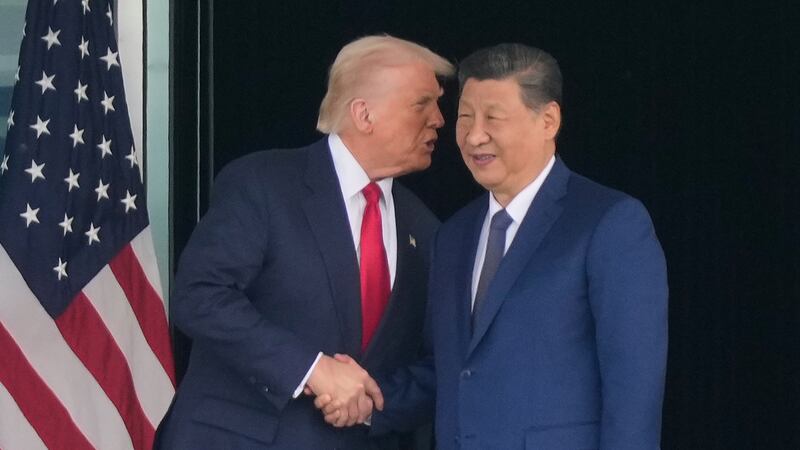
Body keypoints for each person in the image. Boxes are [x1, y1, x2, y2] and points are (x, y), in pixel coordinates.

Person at [321, 43, 668, 449]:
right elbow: (449, 370)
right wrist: (366, 403)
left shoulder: (608, 223)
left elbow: (634, 389)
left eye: (493, 117)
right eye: (465, 117)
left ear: (549, 120)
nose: (474, 135)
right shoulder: (451, 236)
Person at [156, 35, 453, 449]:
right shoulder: (263, 184)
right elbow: (199, 296)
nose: (439, 119)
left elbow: (442, 363)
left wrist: (371, 407)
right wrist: (310, 369)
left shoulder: (428, 229)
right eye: (422, 103)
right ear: (364, 114)